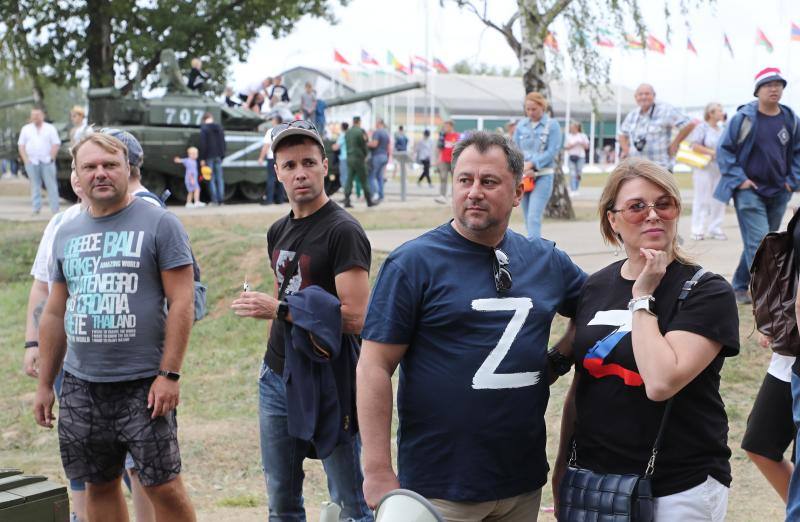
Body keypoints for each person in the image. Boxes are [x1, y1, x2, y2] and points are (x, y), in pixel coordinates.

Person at [357, 131, 587, 520]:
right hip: (439, 487)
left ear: (518, 192)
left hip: (520, 481)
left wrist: (558, 360)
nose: (474, 191)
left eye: (489, 181)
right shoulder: (413, 264)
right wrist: (377, 469)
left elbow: (595, 308)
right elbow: (374, 366)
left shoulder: (545, 260)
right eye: (465, 180)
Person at [552, 157, 739, 521]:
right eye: (636, 207)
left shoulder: (707, 292)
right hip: (595, 481)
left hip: (678, 486)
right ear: (613, 220)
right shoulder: (595, 286)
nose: (652, 215)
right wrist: (562, 468)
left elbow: (661, 381)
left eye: (663, 203)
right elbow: (582, 387)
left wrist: (642, 298)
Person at [33, 131, 197, 522]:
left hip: (143, 384)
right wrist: (44, 385)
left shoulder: (160, 223)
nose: (100, 174)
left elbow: (182, 302)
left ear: (128, 169)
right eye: (90, 166)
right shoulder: (67, 231)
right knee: (98, 483)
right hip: (81, 385)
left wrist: (169, 374)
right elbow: (55, 311)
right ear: (76, 174)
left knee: (163, 485)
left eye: (110, 165)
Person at [230, 120, 373, 521]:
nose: (300, 173)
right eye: (289, 165)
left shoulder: (343, 231)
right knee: (281, 498)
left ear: (325, 165)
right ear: (276, 171)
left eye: (308, 162)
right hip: (278, 375)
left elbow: (358, 317)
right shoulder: (278, 229)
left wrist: (279, 310)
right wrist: (282, 311)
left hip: (331, 378)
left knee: (350, 502)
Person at [715, 67, 800, 304]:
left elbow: (798, 153)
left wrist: (792, 181)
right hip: (749, 192)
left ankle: (740, 287)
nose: (774, 89)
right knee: (762, 241)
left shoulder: (791, 119)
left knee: (762, 241)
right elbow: (724, 151)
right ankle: (772, 298)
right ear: (757, 90)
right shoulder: (743, 118)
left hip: (779, 192)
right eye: (768, 84)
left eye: (778, 84)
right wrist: (740, 180)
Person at [512, 92, 561, 239]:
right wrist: (521, 167)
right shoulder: (521, 125)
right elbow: (514, 148)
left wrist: (533, 164)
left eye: (534, 109)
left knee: (534, 216)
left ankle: (534, 251)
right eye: (528, 109)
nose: (530, 112)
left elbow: (552, 151)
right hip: (524, 177)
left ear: (542, 107)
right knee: (527, 217)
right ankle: (531, 244)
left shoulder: (552, 125)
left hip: (543, 176)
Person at [619, 83, 695, 170]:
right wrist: (626, 151)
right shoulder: (632, 115)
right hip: (637, 168)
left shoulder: (666, 111)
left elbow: (689, 124)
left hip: (660, 168)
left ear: (654, 96)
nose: (643, 97)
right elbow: (621, 134)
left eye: (647, 94)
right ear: (636, 97)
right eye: (640, 94)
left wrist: (675, 143)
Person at [688, 103, 727, 241]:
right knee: (702, 198)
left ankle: (715, 227)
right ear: (710, 113)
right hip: (704, 167)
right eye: (719, 110)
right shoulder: (702, 127)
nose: (722, 112)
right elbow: (694, 145)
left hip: (719, 168)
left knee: (718, 198)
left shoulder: (722, 129)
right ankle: (697, 228)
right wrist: (712, 153)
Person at [18, 108, 61, 215]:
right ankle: (36, 209)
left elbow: (56, 143)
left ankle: (55, 210)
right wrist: (26, 160)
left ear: (42, 115)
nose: (35, 117)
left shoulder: (50, 128)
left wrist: (51, 158)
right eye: (33, 115)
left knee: (51, 185)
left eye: (37, 115)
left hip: (47, 161)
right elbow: (21, 145)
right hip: (32, 162)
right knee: (35, 186)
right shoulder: (26, 129)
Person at [343, 116, 376, 208]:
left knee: (349, 179)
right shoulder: (360, 131)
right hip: (359, 158)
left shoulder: (348, 132)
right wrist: (366, 154)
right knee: (364, 179)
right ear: (359, 122)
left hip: (349, 158)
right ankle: (369, 201)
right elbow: (363, 145)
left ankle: (346, 200)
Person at [257, 115, 287, 205]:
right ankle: (280, 200)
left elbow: (266, 146)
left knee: (271, 178)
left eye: (273, 120)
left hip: (272, 157)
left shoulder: (271, 131)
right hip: (282, 158)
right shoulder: (284, 131)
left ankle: (269, 200)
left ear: (276, 121)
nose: (272, 121)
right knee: (280, 179)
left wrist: (261, 157)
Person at [199, 112, 226, 205]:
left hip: (208, 156)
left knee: (211, 178)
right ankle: (221, 200)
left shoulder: (204, 129)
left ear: (204, 119)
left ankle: (214, 200)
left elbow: (203, 144)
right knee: (220, 178)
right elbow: (223, 142)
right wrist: (222, 155)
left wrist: (202, 158)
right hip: (218, 156)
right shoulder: (219, 127)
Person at [433, 120, 459, 204]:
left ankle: (454, 197)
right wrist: (437, 159)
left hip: (454, 161)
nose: (444, 128)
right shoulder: (442, 136)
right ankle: (442, 196)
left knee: (454, 179)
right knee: (443, 178)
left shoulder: (457, 136)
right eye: (444, 126)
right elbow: (439, 148)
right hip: (444, 160)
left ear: (451, 126)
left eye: (446, 126)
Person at [368, 119, 390, 202]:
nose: (375, 124)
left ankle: (375, 194)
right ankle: (381, 195)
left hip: (377, 156)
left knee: (372, 176)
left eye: (376, 123)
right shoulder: (386, 133)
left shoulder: (377, 132)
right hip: (384, 156)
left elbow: (374, 144)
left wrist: (366, 143)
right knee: (380, 177)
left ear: (379, 123)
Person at [564, 121, 589, 195]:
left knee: (579, 173)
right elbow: (566, 147)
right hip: (571, 156)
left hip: (581, 157)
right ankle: (573, 189)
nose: (572, 129)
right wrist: (573, 144)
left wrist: (581, 143)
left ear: (577, 128)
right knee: (572, 173)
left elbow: (587, 147)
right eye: (571, 128)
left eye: (573, 128)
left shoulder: (582, 136)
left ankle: (577, 187)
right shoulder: (568, 136)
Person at [333, 122, 350, 190]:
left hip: (343, 157)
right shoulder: (348, 134)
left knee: (343, 173)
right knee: (347, 173)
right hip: (348, 156)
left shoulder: (342, 135)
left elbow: (336, 147)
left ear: (342, 127)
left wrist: (332, 146)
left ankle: (344, 187)